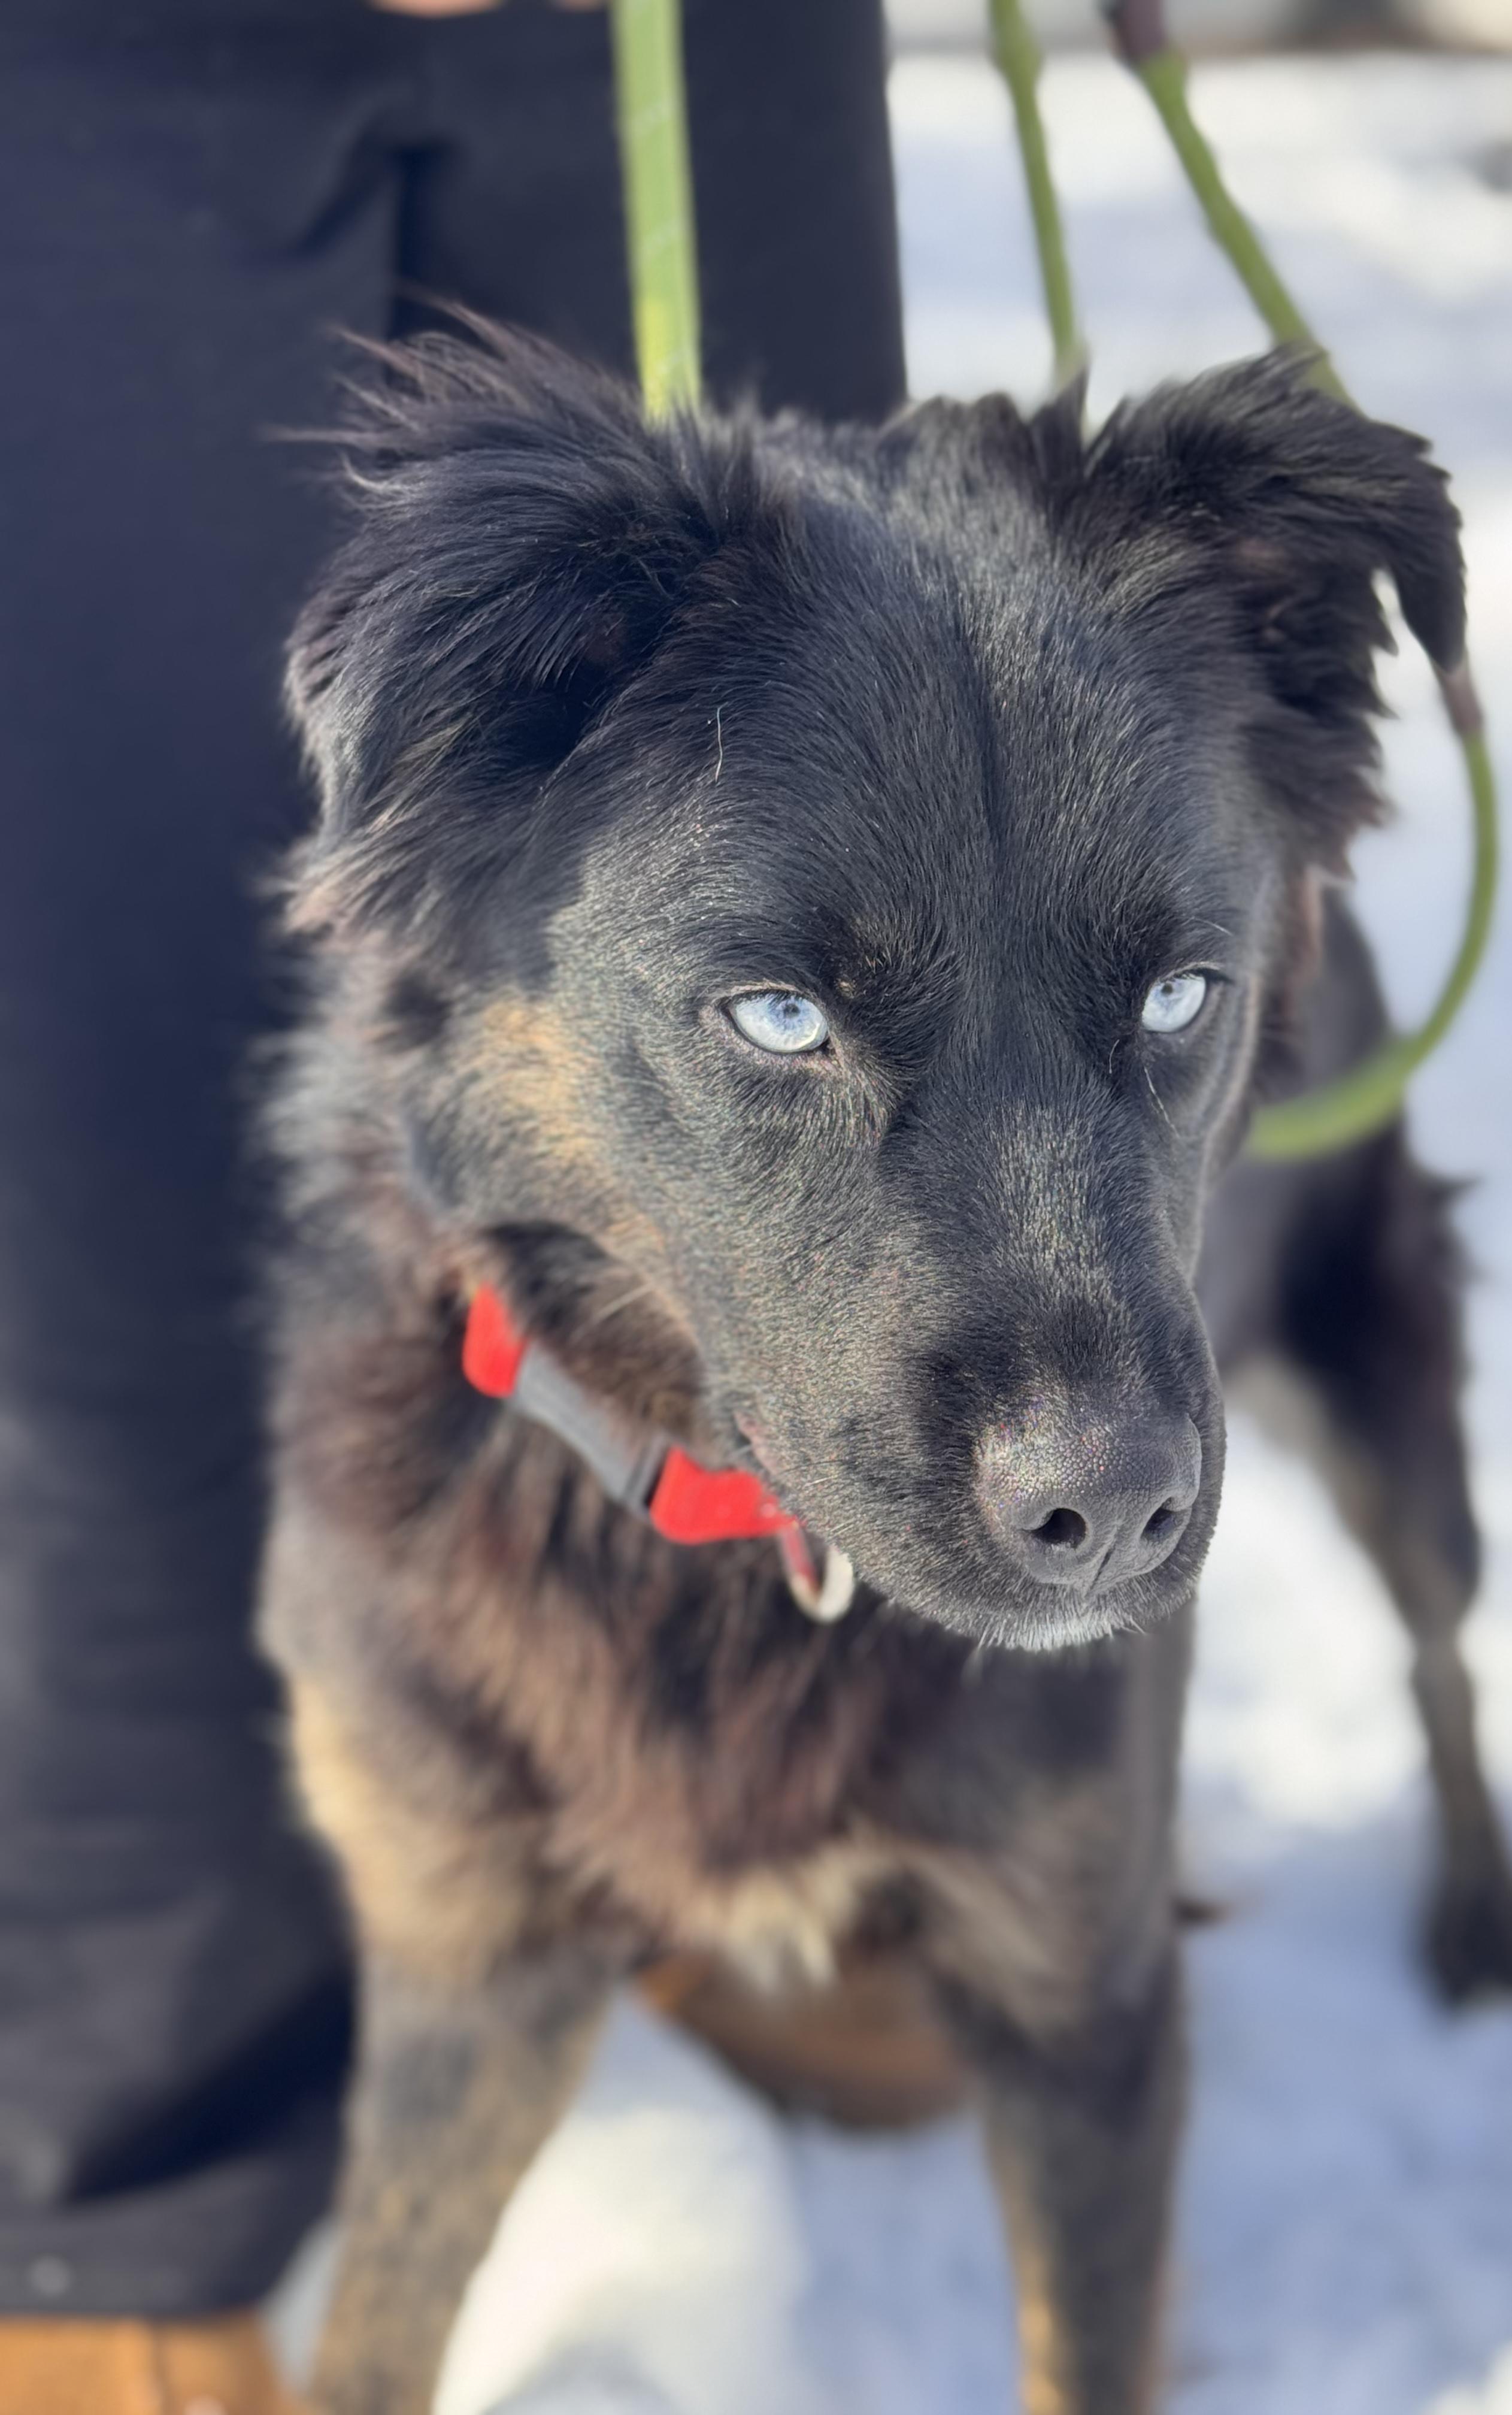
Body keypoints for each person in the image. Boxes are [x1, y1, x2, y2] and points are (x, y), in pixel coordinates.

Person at [0, 3, 905, 2405]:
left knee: (775, 979)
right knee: (117, 1089)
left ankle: (700, 1849)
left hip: (687, 45)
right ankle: (126, 2166)